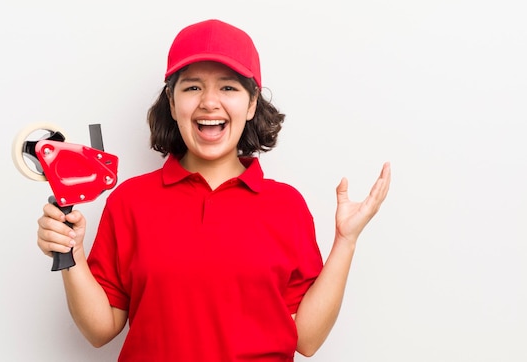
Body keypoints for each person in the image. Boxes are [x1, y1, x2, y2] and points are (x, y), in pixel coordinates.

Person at [36, 19, 391, 361]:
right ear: (172, 104)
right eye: (192, 87)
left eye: (228, 87)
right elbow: (100, 330)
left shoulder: (287, 206)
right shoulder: (130, 201)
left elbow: (308, 339)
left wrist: (346, 241)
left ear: (251, 104)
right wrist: (72, 253)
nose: (209, 102)